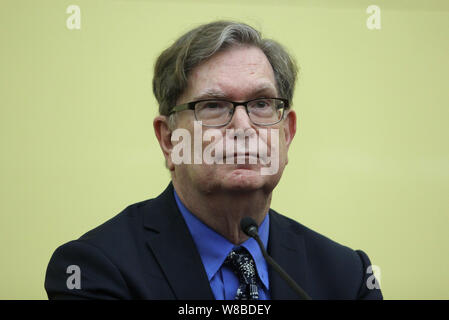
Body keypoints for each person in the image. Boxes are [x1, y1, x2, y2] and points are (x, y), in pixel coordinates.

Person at [45, 20, 383, 300]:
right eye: (213, 106)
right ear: (169, 140)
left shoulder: (347, 276)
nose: (243, 126)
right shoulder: (94, 270)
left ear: (287, 133)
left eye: (262, 104)